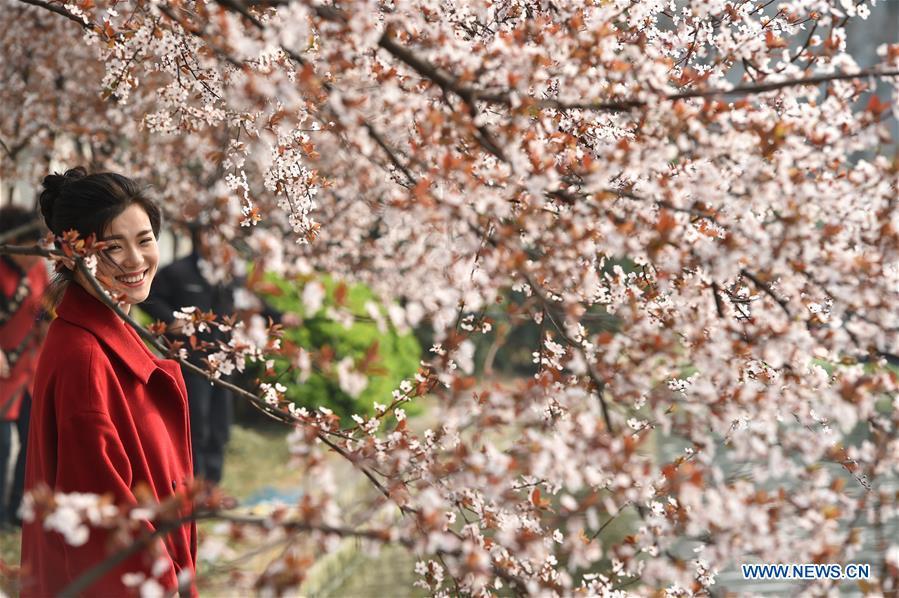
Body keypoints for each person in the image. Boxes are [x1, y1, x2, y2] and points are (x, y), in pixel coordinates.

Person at [20, 167, 197, 597]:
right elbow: (106, 525)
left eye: (144, 240)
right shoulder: (86, 359)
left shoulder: (102, 341)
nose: (135, 261)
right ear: (70, 257)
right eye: (112, 247)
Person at [141, 225, 236, 486]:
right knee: (196, 425)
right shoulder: (176, 272)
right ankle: (189, 487)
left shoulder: (226, 274)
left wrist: (281, 318)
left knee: (219, 427)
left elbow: (249, 302)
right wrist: (171, 319)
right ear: (199, 237)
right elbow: (148, 298)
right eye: (214, 235)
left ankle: (211, 488)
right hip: (189, 362)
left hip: (222, 361)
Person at [0, 206, 49, 528]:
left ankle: (17, 509)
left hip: (32, 367)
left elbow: (42, 311)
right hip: (3, 371)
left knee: (33, 442)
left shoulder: (39, 270)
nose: (35, 256)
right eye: (30, 248)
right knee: (2, 446)